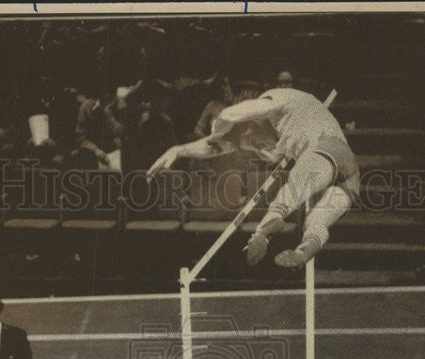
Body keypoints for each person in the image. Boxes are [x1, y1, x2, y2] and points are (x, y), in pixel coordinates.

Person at [147, 86, 359, 269]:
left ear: (253, 123)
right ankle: (304, 251)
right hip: (350, 177)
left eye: (257, 144)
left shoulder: (276, 100)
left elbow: (229, 114)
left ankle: (263, 231)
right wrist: (178, 150)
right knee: (316, 220)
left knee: (289, 192)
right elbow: (215, 149)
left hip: (325, 149)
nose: (263, 149)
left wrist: (218, 128)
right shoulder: (266, 130)